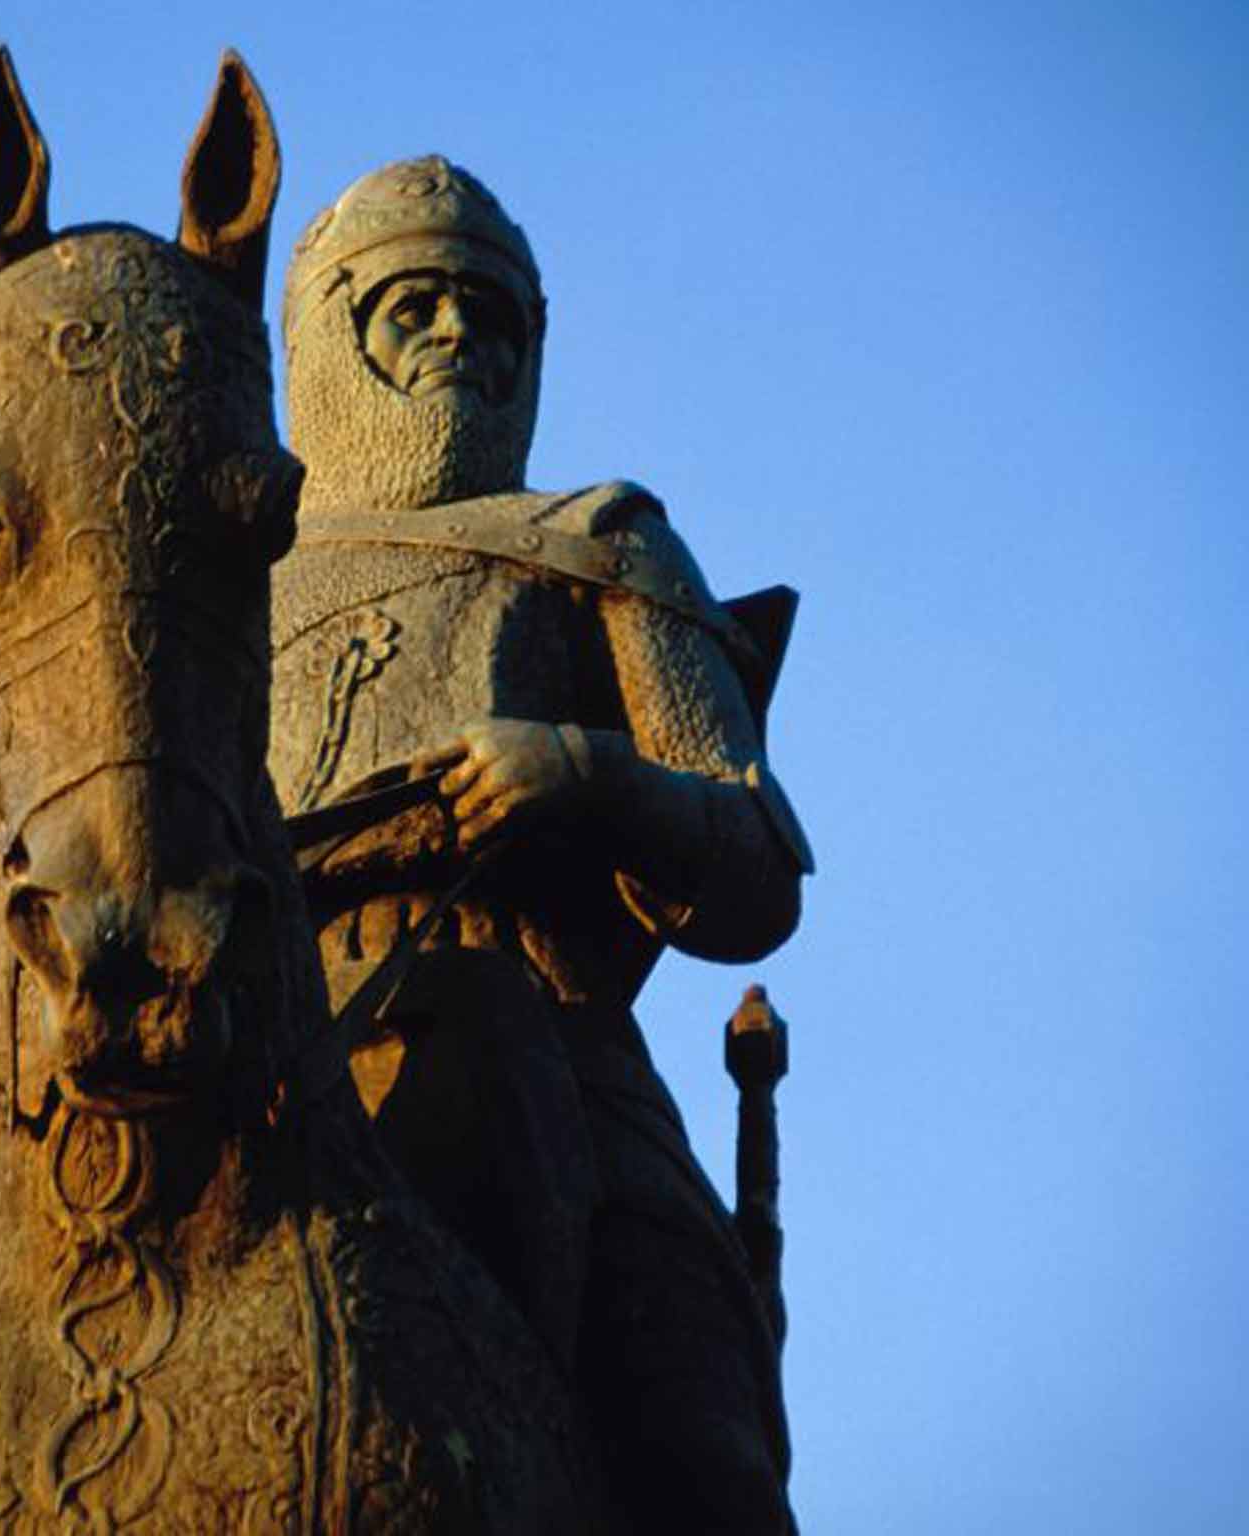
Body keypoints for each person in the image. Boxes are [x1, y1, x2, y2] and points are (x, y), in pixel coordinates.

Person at [270, 155, 814, 1532]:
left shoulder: (601, 543)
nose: (460, 333)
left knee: (702, 1456)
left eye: (490, 314)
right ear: (337, 332)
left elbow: (753, 856)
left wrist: (580, 774)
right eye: (415, 304)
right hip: (257, 1031)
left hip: (546, 1044)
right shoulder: (233, 582)